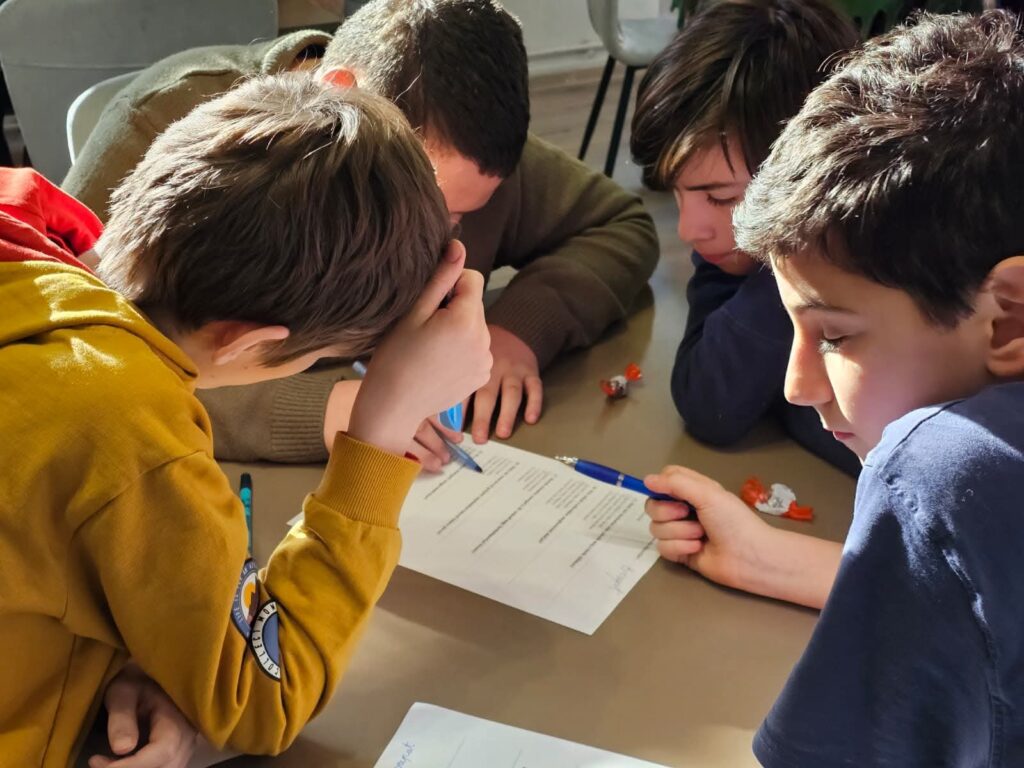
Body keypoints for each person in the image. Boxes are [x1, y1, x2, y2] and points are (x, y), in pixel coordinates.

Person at [1, 75, 492, 765]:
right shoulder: (126, 430)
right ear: (245, 343)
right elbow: (264, 700)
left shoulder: (24, 230)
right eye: (315, 359)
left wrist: (146, 656)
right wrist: (380, 432)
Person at [644, 11, 1024, 763]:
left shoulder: (949, 469)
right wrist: (769, 559)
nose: (796, 385)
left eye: (835, 336)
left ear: (1007, 317)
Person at [63, 0, 659, 468]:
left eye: (459, 218)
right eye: (429, 204)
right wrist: (330, 410)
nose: (437, 241)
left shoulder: (462, 145)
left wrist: (519, 330)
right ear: (341, 92)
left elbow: (620, 224)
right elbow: (87, 360)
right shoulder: (176, 131)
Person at [630, 0, 861, 475]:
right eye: (677, 192)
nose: (688, 230)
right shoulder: (739, 254)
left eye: (720, 198)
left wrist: (810, 247)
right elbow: (708, 401)